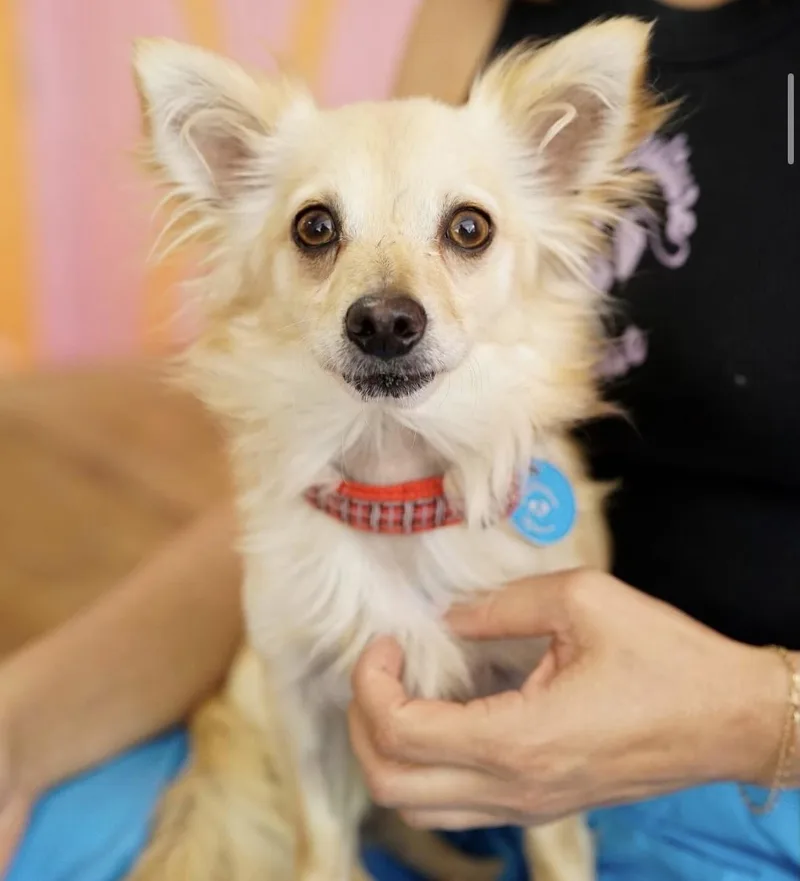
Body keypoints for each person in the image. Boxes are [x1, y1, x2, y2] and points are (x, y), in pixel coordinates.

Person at [2, 0, 799, 879]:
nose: (385, 301)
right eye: (318, 230)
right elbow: (289, 554)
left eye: (464, 230)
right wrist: (18, 730)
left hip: (731, 767)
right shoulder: (472, 10)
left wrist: (763, 717)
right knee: (50, 850)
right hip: (366, 762)